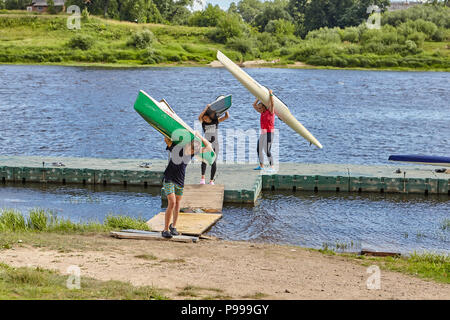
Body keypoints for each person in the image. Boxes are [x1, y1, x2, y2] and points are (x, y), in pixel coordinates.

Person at [162, 133, 212, 238]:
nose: (191, 151)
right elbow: (166, 138)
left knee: (178, 204)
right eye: (191, 148)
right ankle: (165, 230)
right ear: (188, 145)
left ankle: (173, 227)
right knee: (172, 202)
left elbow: (209, 147)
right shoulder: (177, 148)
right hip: (169, 178)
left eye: (193, 150)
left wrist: (199, 136)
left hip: (180, 180)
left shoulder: (193, 153)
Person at [198, 104, 229, 185]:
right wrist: (206, 108)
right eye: (204, 118)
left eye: (206, 117)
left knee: (213, 162)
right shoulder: (203, 123)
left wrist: (226, 108)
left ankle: (211, 180)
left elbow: (226, 117)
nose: (204, 119)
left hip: (215, 144)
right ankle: (202, 179)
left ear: (209, 117)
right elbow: (199, 117)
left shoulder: (215, 121)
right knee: (204, 161)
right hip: (206, 144)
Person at [253, 89, 275, 171]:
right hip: (263, 133)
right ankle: (261, 166)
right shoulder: (262, 113)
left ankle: (272, 167)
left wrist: (271, 94)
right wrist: (259, 98)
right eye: (259, 108)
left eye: (260, 108)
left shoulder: (271, 113)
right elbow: (253, 105)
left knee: (267, 150)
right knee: (259, 149)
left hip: (270, 133)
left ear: (263, 107)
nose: (259, 109)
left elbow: (273, 104)